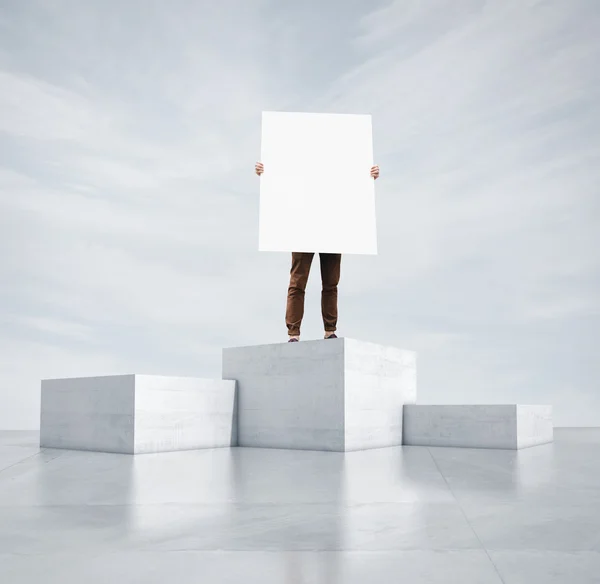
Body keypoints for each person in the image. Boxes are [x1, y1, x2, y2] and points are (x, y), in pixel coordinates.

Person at [255, 161, 379, 342]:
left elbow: (348, 177)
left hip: (331, 224)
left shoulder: (337, 156)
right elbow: (289, 172)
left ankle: (330, 331)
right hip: (303, 224)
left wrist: (367, 175)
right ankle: (293, 334)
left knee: (330, 282)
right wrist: (268, 174)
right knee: (298, 282)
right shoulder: (304, 154)